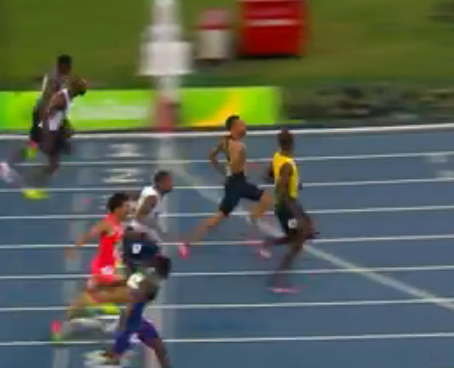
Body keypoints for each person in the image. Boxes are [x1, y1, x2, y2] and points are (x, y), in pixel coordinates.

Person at [179, 115, 272, 258]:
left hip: (238, 183)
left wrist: (222, 170)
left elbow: (212, 155)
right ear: (234, 128)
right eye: (242, 124)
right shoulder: (239, 147)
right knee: (216, 220)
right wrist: (233, 167)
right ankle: (187, 242)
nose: (245, 126)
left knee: (266, 198)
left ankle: (252, 226)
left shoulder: (225, 141)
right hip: (236, 185)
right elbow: (233, 166)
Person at [0, 54, 87, 199]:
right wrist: (49, 130)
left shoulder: (59, 80)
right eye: (69, 67)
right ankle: (17, 173)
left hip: (49, 120)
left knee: (40, 152)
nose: (70, 70)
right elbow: (49, 105)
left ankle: (20, 173)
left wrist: (63, 125)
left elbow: (54, 104)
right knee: (38, 150)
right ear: (64, 66)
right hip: (44, 118)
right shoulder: (57, 82)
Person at [51, 192, 130, 342]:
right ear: (117, 209)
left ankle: (67, 322)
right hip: (104, 268)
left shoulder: (119, 225)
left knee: (99, 294)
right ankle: (64, 325)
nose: (129, 209)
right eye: (126, 206)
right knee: (126, 290)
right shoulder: (108, 223)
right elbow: (90, 234)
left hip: (111, 267)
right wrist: (74, 247)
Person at [260, 129, 317, 293]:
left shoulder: (277, 157)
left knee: (304, 233)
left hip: (287, 204)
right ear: (292, 143)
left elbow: (268, 176)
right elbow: (280, 187)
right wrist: (295, 212)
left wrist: (293, 182)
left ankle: (269, 242)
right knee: (297, 242)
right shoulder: (287, 165)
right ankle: (277, 280)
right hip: (287, 207)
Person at [100, 254, 174, 368]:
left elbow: (134, 286)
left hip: (138, 322)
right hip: (130, 324)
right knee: (114, 358)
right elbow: (131, 304)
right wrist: (123, 326)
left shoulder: (149, 279)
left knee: (160, 348)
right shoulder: (148, 283)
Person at [124, 171, 174, 269]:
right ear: (160, 183)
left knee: (146, 264)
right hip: (139, 236)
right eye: (169, 181)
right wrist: (156, 228)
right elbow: (139, 216)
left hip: (141, 235)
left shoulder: (150, 191)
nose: (171, 184)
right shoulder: (152, 197)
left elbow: (137, 203)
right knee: (142, 265)